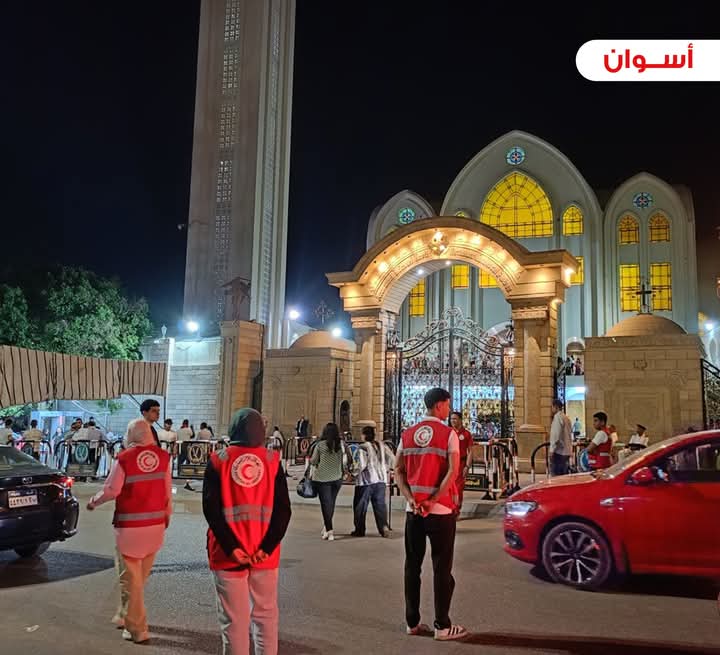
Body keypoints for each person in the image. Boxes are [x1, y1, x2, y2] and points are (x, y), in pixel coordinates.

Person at [202, 408, 291, 655]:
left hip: (227, 553)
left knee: (234, 620)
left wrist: (232, 547)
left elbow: (211, 510)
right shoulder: (272, 461)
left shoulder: (218, 460)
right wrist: (266, 548)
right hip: (264, 554)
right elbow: (283, 511)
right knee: (266, 615)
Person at [86, 418, 172, 644]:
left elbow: (112, 490)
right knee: (137, 578)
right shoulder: (164, 457)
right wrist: (166, 517)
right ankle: (124, 614)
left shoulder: (124, 458)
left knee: (131, 580)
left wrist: (94, 501)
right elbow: (167, 492)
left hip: (130, 529)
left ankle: (137, 628)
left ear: (133, 435)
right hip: (155, 527)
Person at [395, 387, 467, 641]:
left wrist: (411, 499)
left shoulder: (408, 434)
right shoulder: (448, 434)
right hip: (441, 511)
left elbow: (398, 470)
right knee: (441, 569)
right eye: (447, 404)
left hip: (413, 511)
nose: (449, 409)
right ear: (439, 405)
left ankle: (412, 622)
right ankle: (442, 626)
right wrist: (434, 499)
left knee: (412, 566)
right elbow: (453, 471)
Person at [351, 425, 395, 538]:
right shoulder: (382, 445)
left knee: (360, 506)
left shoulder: (362, 447)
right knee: (380, 505)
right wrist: (388, 469)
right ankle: (384, 527)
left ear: (364, 435)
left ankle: (359, 530)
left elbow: (361, 464)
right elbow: (392, 458)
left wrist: (353, 473)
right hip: (381, 480)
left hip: (366, 481)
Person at [309, 422, 346, 542]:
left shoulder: (320, 445)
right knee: (331, 504)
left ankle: (330, 531)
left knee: (325, 505)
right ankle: (326, 526)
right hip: (337, 477)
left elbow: (314, 461)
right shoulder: (340, 445)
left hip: (322, 479)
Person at [449, 412, 472, 513]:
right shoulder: (449, 432)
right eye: (451, 419)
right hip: (449, 463)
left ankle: (456, 510)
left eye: (455, 419)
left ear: (460, 420)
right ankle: (449, 509)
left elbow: (470, 451)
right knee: (448, 487)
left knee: (458, 488)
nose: (453, 421)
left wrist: (467, 466)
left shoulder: (466, 434)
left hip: (460, 464)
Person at [549, 400, 573, 476]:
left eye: (552, 407)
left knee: (557, 476)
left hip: (559, 452)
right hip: (567, 450)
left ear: (555, 407)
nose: (551, 409)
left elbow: (556, 435)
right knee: (564, 475)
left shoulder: (557, 417)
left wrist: (552, 449)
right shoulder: (566, 418)